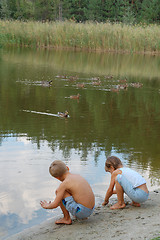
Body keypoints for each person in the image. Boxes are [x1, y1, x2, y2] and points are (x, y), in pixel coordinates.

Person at [40, 160, 95, 224]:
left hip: (82, 212)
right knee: (70, 191)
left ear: (57, 178)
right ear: (67, 168)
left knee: (59, 192)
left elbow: (54, 205)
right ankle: (80, 213)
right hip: (91, 209)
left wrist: (47, 206)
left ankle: (66, 218)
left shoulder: (64, 184)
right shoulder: (77, 176)